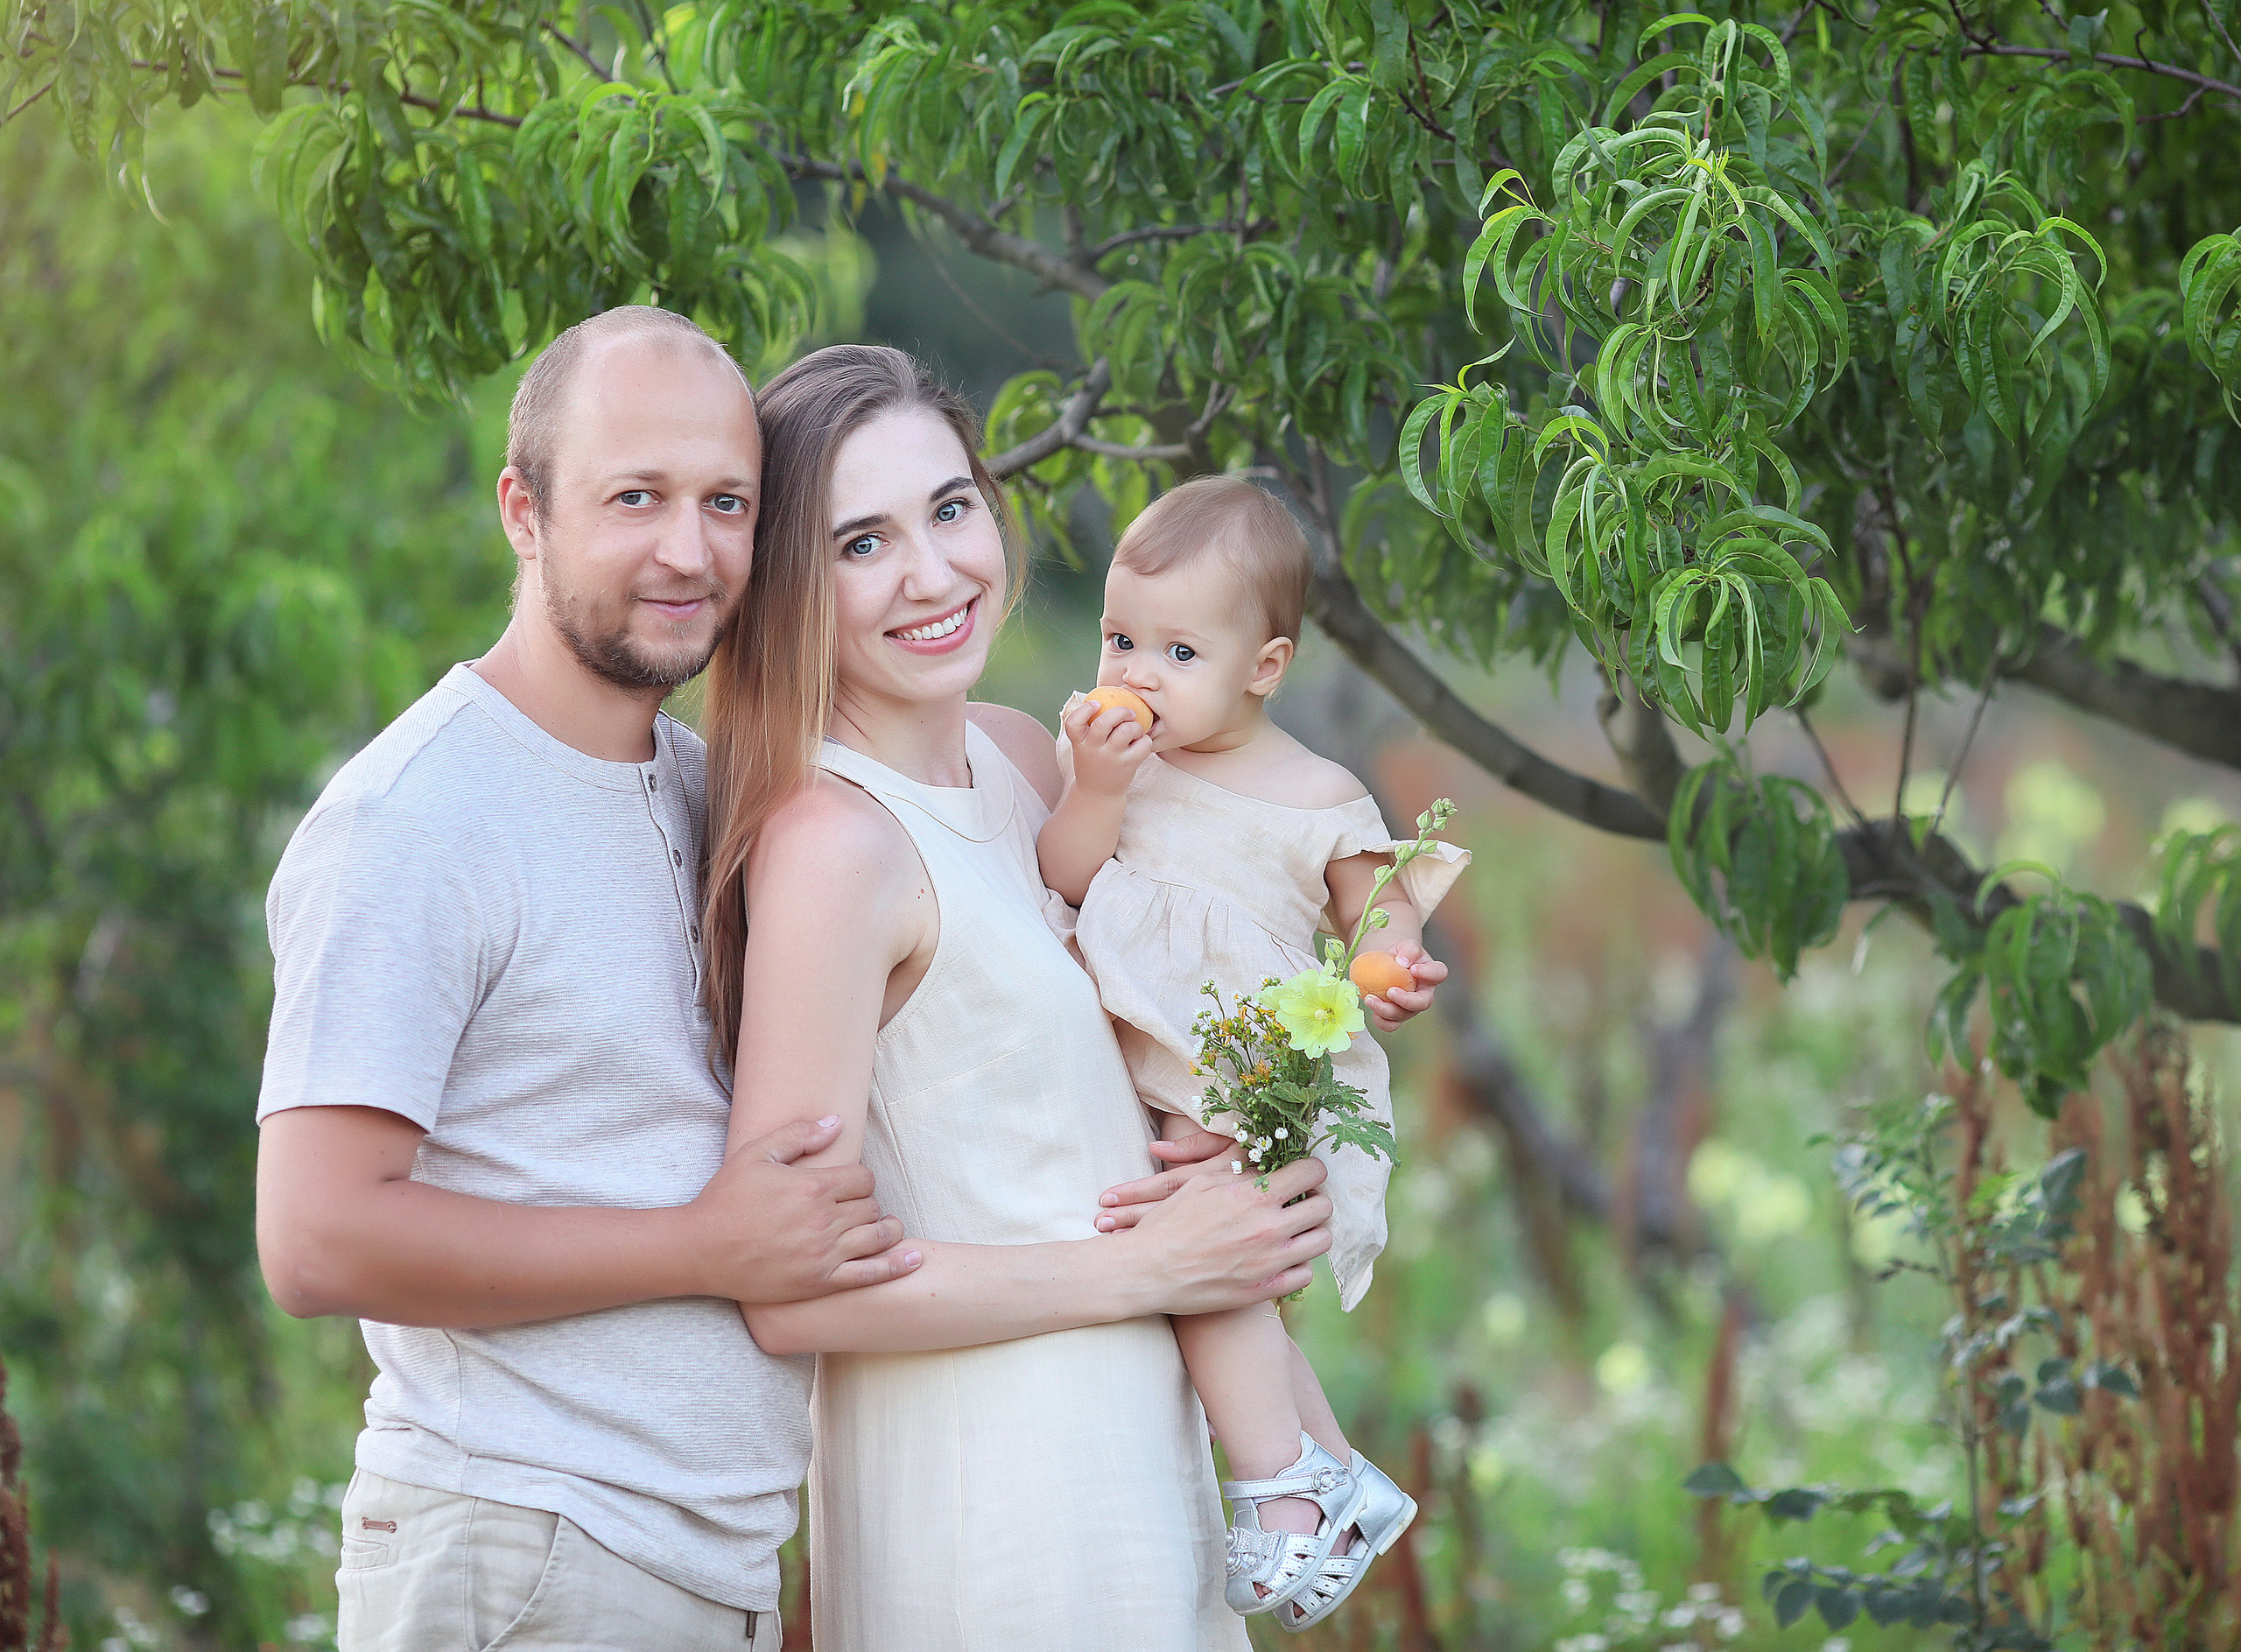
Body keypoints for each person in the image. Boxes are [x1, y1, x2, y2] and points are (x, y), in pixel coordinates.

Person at [254, 308, 1331, 1652]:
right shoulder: (421, 818)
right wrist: (700, 1246)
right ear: (522, 512)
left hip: (713, 1553)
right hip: (526, 1532)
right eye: (633, 499)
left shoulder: (707, 788)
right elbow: (311, 1240)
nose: (687, 548)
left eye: (725, 504)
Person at [706, 344, 1335, 1650]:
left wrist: (1267, 1182)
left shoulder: (1017, 756)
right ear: (784, 588)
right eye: (861, 543)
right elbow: (793, 1290)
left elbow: (1133, 1075)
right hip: (993, 1510)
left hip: (1134, 1474)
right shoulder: (833, 844)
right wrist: (1145, 1268)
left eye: (948, 509)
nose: (934, 574)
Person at [1037, 476, 1471, 1630]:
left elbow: (1377, 909)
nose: (1136, 671)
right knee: (1207, 1263)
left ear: (1263, 668)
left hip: (1256, 1062)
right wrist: (1096, 785)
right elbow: (1069, 878)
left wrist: (1391, 970)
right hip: (1154, 1059)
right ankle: (1338, 1471)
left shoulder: (1315, 792)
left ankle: (1281, 1484)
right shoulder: (1124, 768)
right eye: (1121, 637)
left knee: (1202, 1266)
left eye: (1178, 651)